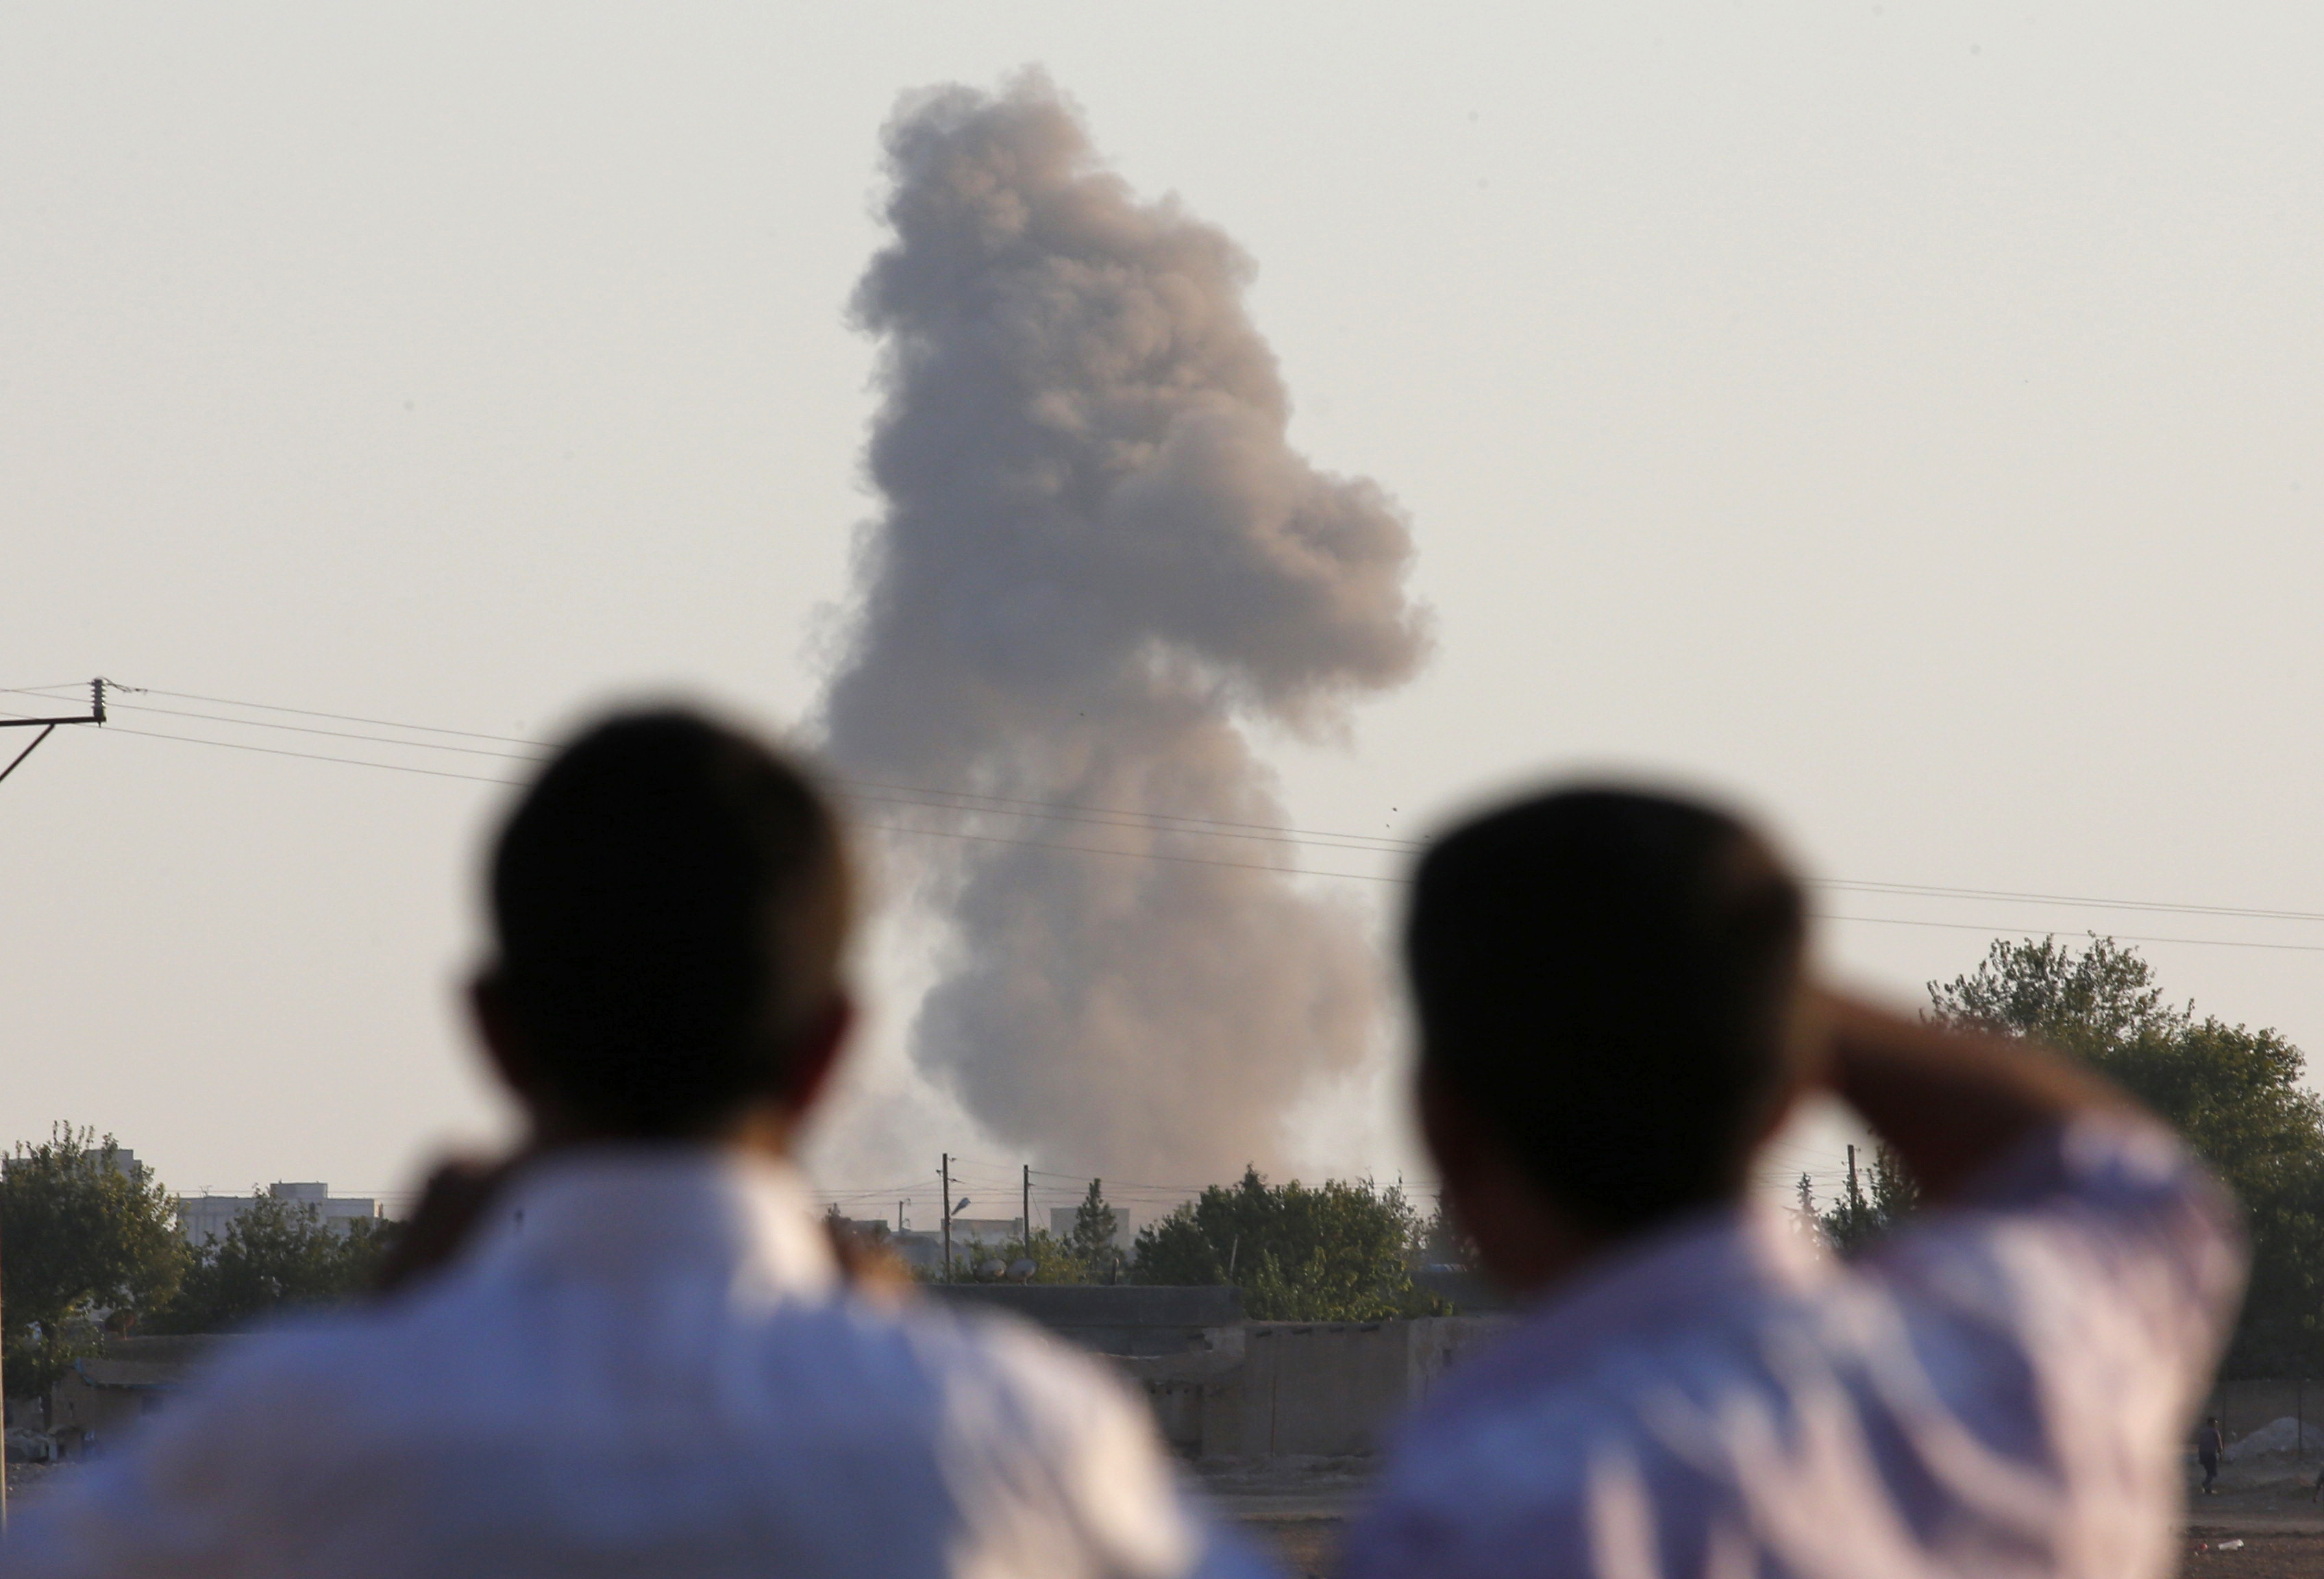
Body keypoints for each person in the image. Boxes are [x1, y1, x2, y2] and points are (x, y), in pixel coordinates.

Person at [7, 709, 1268, 1579]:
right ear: (828, 1049)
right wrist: (906, 1341)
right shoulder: (1017, 1433)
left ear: (495, 1035)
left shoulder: (297, 1430)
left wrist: (380, 1339)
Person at [1342, 787, 2246, 1579]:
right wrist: (1734, 992)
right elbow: (2118, 1177)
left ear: (1442, 1126)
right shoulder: (2027, 1368)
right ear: (1789, 1096)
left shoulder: (1476, 1515)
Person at [2199, 1416, 2225, 1495]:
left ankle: (2208, 1489)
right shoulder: (2215, 1432)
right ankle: (2205, 1483)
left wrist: (2200, 1456)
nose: (2216, 1424)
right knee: (2213, 1473)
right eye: (2215, 1423)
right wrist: (2221, 1454)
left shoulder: (2203, 1432)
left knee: (2208, 1472)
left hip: (2203, 1454)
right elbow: (2219, 1444)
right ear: (2211, 1423)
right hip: (2211, 1454)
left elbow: (2200, 1445)